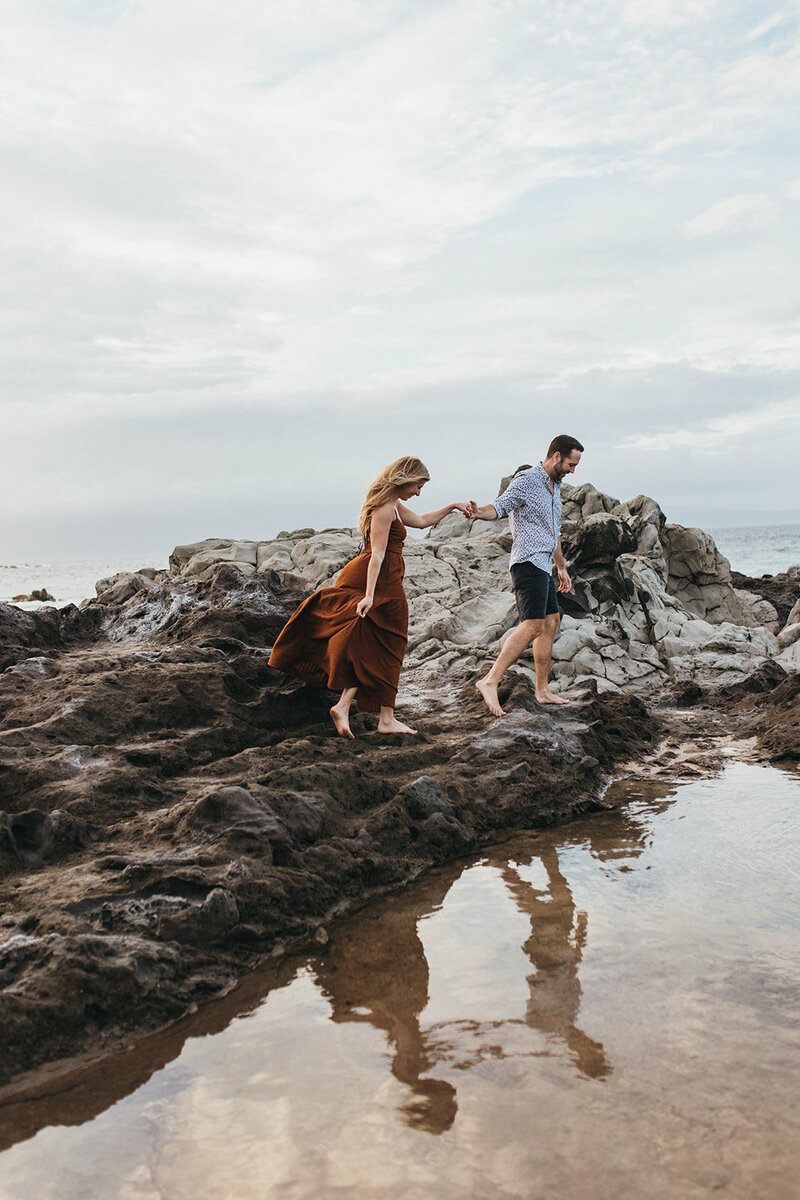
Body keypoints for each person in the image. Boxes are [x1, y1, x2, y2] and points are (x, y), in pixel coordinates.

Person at [269, 456, 471, 739]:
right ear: (405, 478)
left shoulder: (396, 506)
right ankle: (380, 716)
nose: (418, 492)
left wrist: (452, 506)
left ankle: (353, 709)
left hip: (387, 578)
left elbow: (424, 521)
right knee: (391, 642)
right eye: (418, 486)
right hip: (378, 579)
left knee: (375, 642)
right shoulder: (384, 510)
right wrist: (369, 595)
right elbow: (376, 555)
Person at [467, 435, 584, 717]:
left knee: (551, 621)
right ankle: (490, 680)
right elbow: (499, 507)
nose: (572, 470)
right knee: (532, 624)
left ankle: (542, 690)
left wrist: (561, 567)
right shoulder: (527, 480)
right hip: (526, 562)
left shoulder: (556, 488)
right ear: (556, 456)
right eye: (571, 463)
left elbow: (553, 532)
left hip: (544, 565)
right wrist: (477, 512)